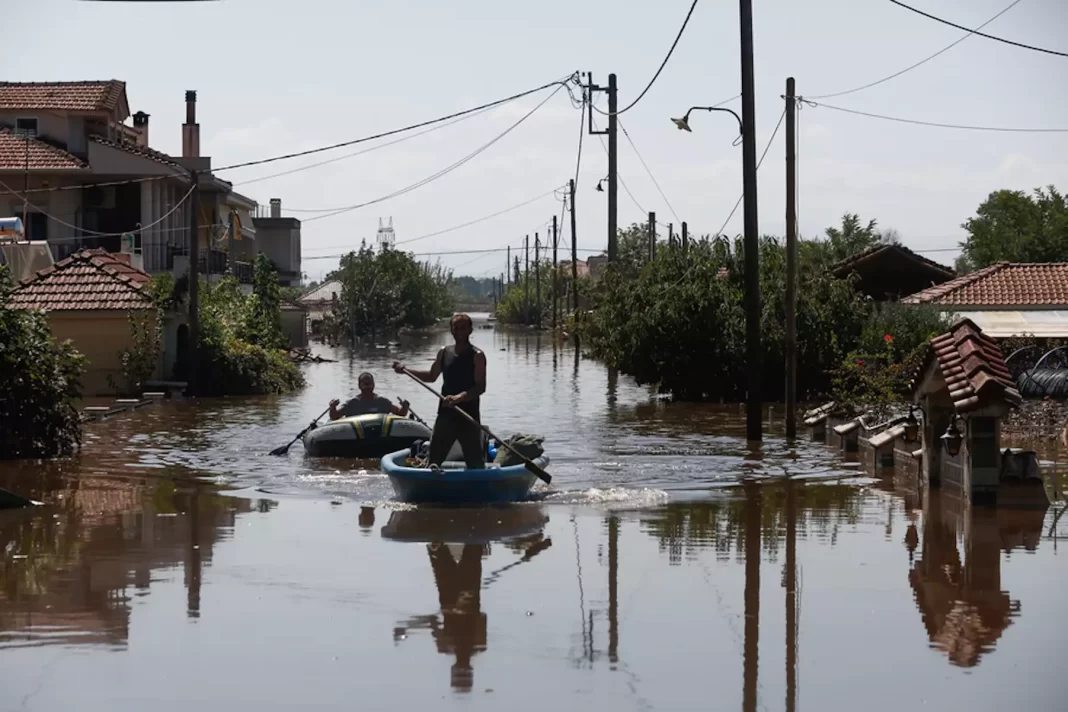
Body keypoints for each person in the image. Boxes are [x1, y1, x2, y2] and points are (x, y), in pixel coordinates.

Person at [393, 313, 486, 469]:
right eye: (456, 328)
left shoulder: (477, 356)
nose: (460, 332)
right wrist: (406, 370)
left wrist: (458, 398)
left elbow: (480, 387)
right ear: (451, 330)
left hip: (468, 416)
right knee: (434, 460)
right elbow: (431, 376)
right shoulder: (444, 352)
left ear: (470, 330)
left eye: (463, 328)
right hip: (446, 414)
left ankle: (479, 487)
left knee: (475, 463)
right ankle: (429, 486)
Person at [329, 372, 410, 420]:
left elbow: (400, 413)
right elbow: (334, 417)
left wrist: (405, 407)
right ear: (359, 385)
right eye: (365, 384)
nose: (367, 386)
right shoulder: (352, 403)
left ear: (373, 385)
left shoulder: (382, 401)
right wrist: (332, 407)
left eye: (369, 384)